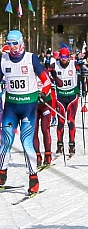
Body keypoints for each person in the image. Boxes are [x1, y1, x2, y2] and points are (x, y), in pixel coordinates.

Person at [0, 30, 53, 193]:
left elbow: (46, 81)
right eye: (9, 43)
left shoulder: (31, 58)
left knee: (26, 142)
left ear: (22, 42)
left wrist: (43, 93)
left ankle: (33, 179)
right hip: (11, 107)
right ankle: (2, 174)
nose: (12, 47)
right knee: (6, 141)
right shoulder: (3, 60)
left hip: (28, 108)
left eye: (15, 43)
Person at [51, 44, 82, 159]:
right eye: (62, 57)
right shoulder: (55, 65)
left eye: (65, 57)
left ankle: (71, 145)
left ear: (69, 57)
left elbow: (82, 68)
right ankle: (59, 145)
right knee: (60, 121)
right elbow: (44, 71)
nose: (64, 59)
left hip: (72, 97)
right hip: (60, 97)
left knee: (71, 121)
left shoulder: (74, 64)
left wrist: (83, 69)